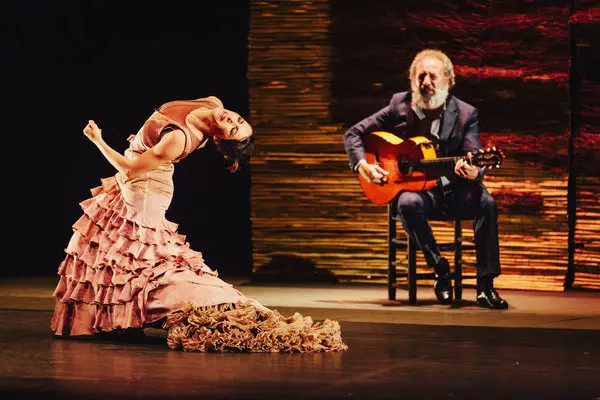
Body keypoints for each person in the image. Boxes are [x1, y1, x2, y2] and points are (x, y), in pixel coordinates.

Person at [51, 96, 347, 352]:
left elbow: (129, 170)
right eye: (238, 119)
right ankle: (123, 318)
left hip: (145, 190)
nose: (231, 118)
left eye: (232, 128)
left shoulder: (179, 138)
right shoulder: (213, 103)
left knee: (144, 261)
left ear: (218, 139)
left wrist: (97, 140)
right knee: (118, 255)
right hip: (138, 185)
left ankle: (210, 302)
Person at [343, 49, 508, 309]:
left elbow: (474, 154)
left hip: (454, 191)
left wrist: (476, 171)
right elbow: (353, 133)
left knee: (486, 202)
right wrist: (363, 165)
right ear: (412, 80)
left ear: (448, 81)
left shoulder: (466, 114)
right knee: (406, 203)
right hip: (421, 195)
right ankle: (440, 269)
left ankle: (485, 286)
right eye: (421, 76)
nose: (426, 83)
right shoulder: (399, 105)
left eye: (433, 76)